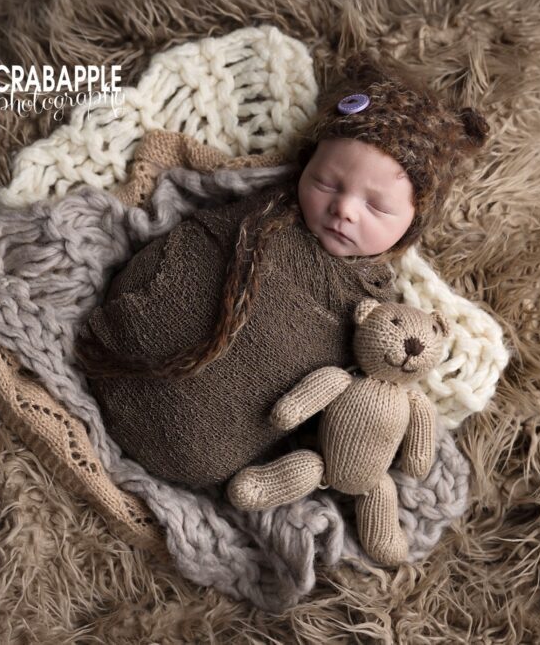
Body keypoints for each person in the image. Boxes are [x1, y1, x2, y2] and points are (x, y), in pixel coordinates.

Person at [73, 52, 490, 490]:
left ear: (411, 227)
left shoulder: (376, 310)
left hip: (202, 453)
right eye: (326, 183)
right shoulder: (267, 202)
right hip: (113, 354)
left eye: (376, 206)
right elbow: (191, 180)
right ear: (304, 167)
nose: (343, 209)